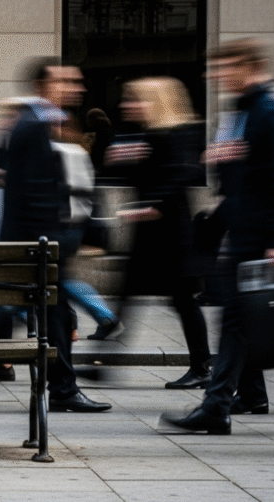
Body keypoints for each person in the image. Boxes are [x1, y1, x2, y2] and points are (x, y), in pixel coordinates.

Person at [160, 38, 274, 433]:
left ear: (249, 66)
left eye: (224, 68)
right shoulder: (244, 110)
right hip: (246, 232)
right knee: (237, 322)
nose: (216, 76)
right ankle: (219, 403)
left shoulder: (269, 111)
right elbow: (247, 174)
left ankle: (218, 404)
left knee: (272, 324)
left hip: (264, 238)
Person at [0, 57, 111, 412]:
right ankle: (63, 389)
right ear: (44, 86)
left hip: (43, 244)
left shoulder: (40, 124)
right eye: (68, 81)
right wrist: (57, 242)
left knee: (57, 317)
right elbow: (32, 193)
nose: (78, 88)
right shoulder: (33, 126)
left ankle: (63, 388)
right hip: (41, 245)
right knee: (56, 318)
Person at [99, 77, 212, 391]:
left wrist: (151, 206)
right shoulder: (148, 134)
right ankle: (105, 363)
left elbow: (181, 174)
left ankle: (202, 367)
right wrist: (124, 160)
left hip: (171, 234)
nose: (126, 105)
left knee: (182, 301)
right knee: (127, 296)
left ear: (155, 101)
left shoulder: (177, 133)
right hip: (151, 234)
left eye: (134, 99)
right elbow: (148, 174)